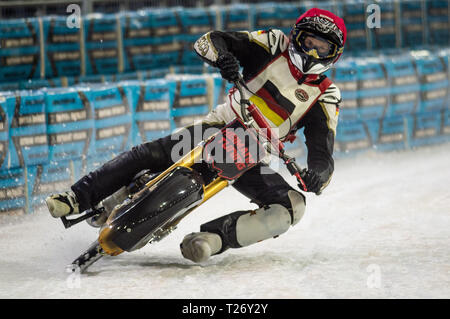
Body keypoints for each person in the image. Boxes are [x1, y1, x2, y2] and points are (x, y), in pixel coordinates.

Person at [46, 8, 346, 263]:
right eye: (309, 42)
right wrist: (224, 57)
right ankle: (76, 196)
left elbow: (323, 149)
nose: (312, 52)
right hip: (222, 125)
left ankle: (210, 241)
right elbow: (211, 40)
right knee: (151, 152)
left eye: (322, 48)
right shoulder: (272, 42)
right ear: (296, 36)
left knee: (292, 208)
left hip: (255, 154)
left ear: (334, 55)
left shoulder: (327, 95)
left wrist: (318, 174)